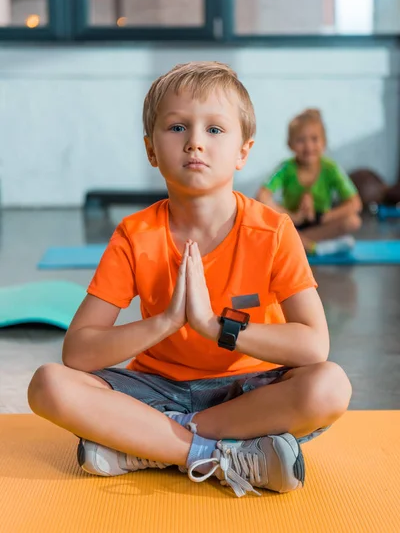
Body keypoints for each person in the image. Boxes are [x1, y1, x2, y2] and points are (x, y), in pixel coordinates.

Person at [27, 63, 352, 498]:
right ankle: (221, 455)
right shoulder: (134, 235)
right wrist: (164, 322)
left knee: (330, 386)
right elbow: (78, 352)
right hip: (157, 390)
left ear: (243, 151)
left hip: (247, 396)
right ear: (151, 150)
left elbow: (314, 345)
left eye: (215, 130)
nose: (195, 141)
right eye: (178, 127)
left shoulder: (273, 232)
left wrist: (215, 328)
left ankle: (146, 444)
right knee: (48, 384)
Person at [257, 109, 362, 256]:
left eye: (314, 139)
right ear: (290, 144)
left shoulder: (331, 168)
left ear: (323, 142)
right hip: (293, 223)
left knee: (353, 221)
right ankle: (315, 247)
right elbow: (262, 196)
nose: (308, 147)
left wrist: (324, 216)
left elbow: (355, 203)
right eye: (301, 140)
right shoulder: (285, 168)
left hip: (320, 222)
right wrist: (291, 216)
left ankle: (299, 244)